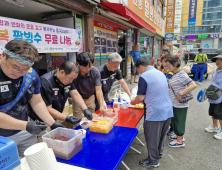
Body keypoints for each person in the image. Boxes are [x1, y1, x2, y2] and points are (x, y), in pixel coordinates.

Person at [0, 40, 64, 157]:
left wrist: (52, 123)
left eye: (25, 69)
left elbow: (37, 102)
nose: (20, 73)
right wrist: (26, 125)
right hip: (2, 137)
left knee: (33, 162)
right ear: (3, 55)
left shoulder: (30, 75)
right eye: (16, 67)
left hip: (24, 132)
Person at [29, 61, 92, 141]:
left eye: (73, 79)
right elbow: (48, 109)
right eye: (71, 78)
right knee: (47, 143)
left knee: (57, 140)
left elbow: (75, 94)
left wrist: (85, 109)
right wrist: (67, 118)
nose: (71, 81)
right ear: (62, 72)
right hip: (42, 119)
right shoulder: (46, 82)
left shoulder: (68, 79)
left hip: (55, 116)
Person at [131, 57, 173, 168]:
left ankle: (153, 160)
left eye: (138, 70)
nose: (139, 72)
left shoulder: (144, 76)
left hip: (155, 112)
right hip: (168, 109)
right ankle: (158, 154)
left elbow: (140, 98)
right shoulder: (160, 73)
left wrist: (132, 101)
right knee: (161, 135)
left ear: (140, 67)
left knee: (152, 136)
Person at [165, 56, 197, 148]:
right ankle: (178, 136)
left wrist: (181, 93)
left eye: (169, 65)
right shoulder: (175, 73)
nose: (167, 67)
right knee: (175, 120)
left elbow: (193, 85)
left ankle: (179, 141)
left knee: (179, 121)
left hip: (180, 103)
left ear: (175, 64)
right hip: (174, 102)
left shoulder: (181, 73)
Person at [73, 52, 105, 120]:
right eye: (85, 67)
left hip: (90, 98)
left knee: (91, 119)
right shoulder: (74, 72)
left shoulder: (95, 72)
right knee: (77, 120)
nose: (88, 69)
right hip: (77, 98)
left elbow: (98, 90)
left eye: (90, 66)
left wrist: (101, 105)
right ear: (78, 63)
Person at [205, 55, 222, 139]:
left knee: (219, 114)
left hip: (220, 96)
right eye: (217, 60)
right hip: (212, 95)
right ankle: (215, 127)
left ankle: (221, 131)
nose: (218, 61)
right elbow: (212, 82)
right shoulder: (215, 70)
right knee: (212, 112)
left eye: (220, 60)